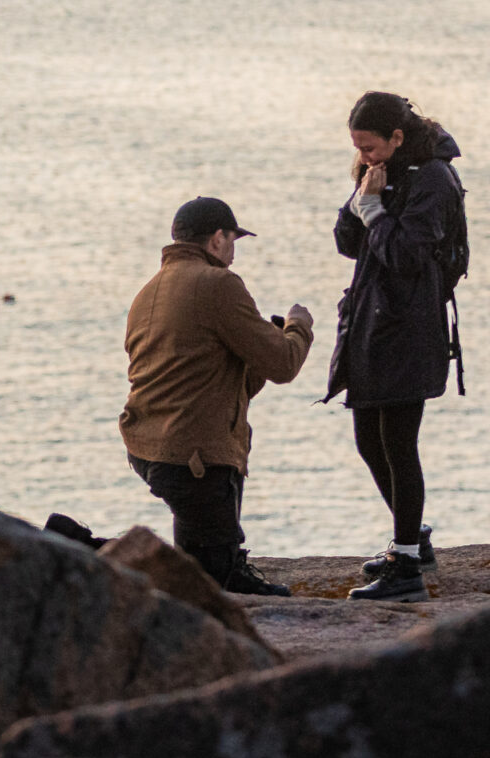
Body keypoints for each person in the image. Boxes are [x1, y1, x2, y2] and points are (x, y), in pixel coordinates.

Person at [121, 196, 315, 595]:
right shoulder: (219, 284)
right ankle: (74, 543)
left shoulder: (149, 291)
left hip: (151, 446)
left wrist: (256, 349)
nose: (233, 252)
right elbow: (284, 366)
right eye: (233, 240)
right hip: (196, 458)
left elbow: (229, 384)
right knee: (221, 582)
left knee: (196, 567)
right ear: (216, 240)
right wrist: (298, 327)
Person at [325, 92, 466, 603]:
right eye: (358, 149)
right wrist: (361, 197)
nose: (365, 156)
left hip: (410, 327)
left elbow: (406, 255)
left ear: (398, 138)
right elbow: (348, 242)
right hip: (371, 323)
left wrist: (374, 210)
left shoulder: (432, 178)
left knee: (399, 444)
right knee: (368, 440)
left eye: (371, 147)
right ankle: (414, 539)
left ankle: (406, 564)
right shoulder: (381, 173)